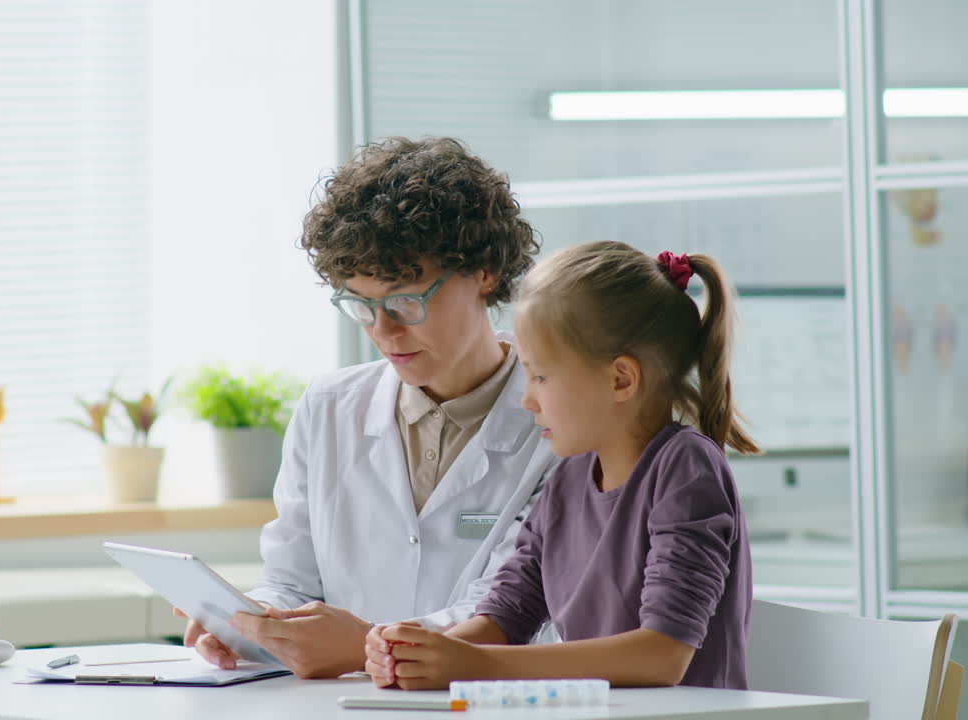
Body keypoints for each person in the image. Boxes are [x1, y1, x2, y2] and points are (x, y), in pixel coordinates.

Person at [183, 137, 558, 678]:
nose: (383, 331)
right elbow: (291, 579)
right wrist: (254, 622)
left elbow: (516, 608)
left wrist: (367, 645)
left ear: (485, 272)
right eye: (361, 305)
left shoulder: (561, 419)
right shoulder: (329, 407)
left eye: (406, 300)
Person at [364, 241, 759, 690]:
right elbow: (507, 615)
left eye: (541, 376)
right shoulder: (567, 477)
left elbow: (662, 656)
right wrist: (425, 653)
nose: (527, 398)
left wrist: (476, 665)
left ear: (620, 379)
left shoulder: (685, 468)